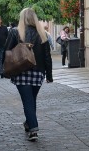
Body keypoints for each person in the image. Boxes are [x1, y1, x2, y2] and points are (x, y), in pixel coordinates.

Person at [3, 8, 53, 142]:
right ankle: (28, 123)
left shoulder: (15, 32)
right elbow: (47, 56)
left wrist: (5, 69)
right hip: (38, 73)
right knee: (31, 100)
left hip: (21, 71)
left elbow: (7, 51)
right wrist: (49, 75)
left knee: (28, 101)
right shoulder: (43, 34)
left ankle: (33, 129)